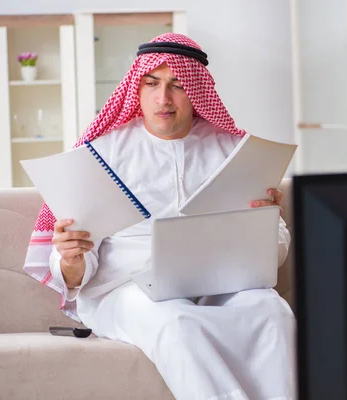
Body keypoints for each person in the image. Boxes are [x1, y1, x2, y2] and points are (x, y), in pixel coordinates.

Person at [22, 33, 296, 400]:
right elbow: (75, 273)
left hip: (221, 285)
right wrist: (71, 258)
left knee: (272, 312)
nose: (162, 98)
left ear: (197, 91)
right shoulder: (103, 154)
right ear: (137, 87)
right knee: (179, 323)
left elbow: (275, 250)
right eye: (151, 84)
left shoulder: (232, 150)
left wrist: (264, 226)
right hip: (124, 290)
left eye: (177, 85)